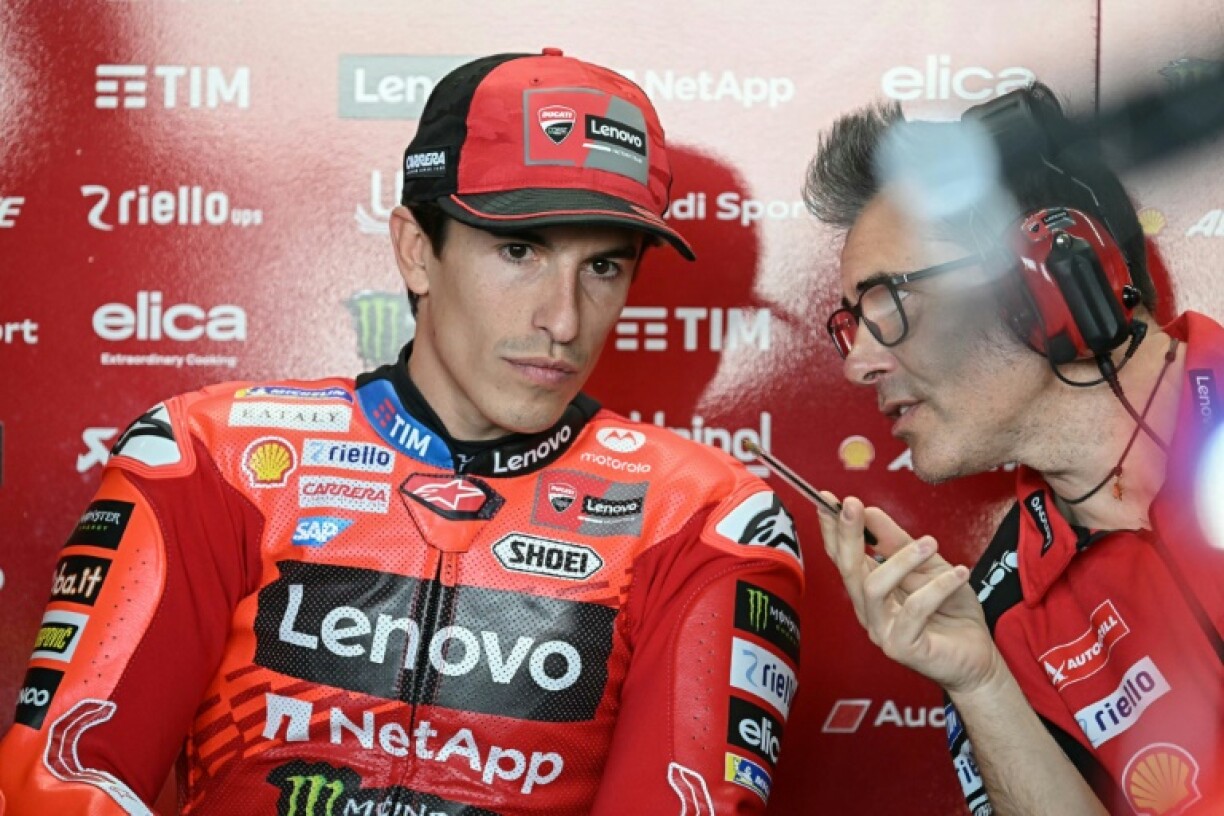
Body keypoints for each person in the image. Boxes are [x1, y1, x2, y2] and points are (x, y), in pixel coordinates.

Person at [0, 50, 804, 815]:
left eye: (604, 266)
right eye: (521, 250)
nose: (564, 320)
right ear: (418, 252)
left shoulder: (702, 519)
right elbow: (64, 783)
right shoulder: (210, 459)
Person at [803, 83, 1224, 814]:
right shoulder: (1000, 608)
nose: (858, 363)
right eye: (853, 321)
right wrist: (982, 685)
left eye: (890, 305)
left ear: (1053, 281)